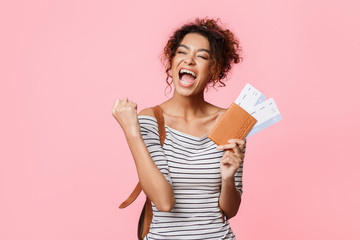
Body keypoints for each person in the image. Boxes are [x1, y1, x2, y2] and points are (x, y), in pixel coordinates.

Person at [112, 18, 246, 239]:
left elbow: (230, 211)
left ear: (215, 69)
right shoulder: (149, 120)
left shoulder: (230, 121)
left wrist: (228, 177)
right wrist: (132, 133)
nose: (189, 60)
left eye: (202, 56)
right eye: (182, 52)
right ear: (172, 61)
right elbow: (164, 202)